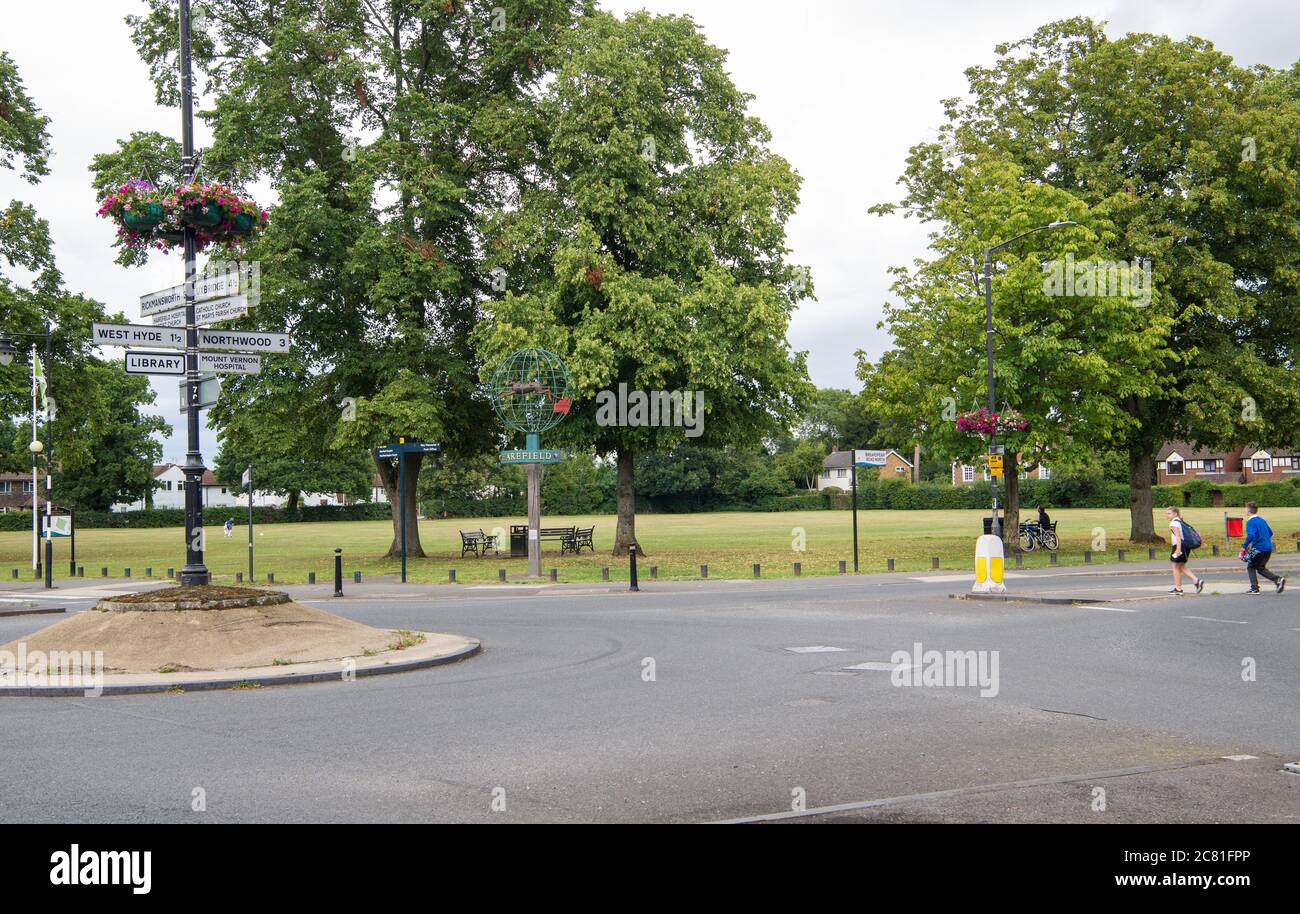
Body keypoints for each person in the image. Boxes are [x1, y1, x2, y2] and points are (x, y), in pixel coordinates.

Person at [1241, 502, 1285, 595]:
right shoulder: (1262, 520)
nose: (1245, 511)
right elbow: (1270, 533)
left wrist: (1243, 547)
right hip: (1268, 548)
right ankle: (1278, 579)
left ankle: (1254, 589)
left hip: (1258, 548)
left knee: (1251, 566)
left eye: (1245, 509)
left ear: (1249, 511)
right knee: (1260, 568)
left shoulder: (1251, 521)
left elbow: (1251, 535)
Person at [1166, 506, 1203, 595]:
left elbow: (1178, 537)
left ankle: (1178, 589)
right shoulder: (1180, 521)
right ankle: (1196, 581)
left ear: (1175, 514)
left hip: (1179, 546)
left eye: (1169, 513)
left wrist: (1178, 549)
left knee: (1175, 567)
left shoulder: (1174, 523)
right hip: (1186, 546)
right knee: (1181, 566)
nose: (1167, 515)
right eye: (1166, 514)